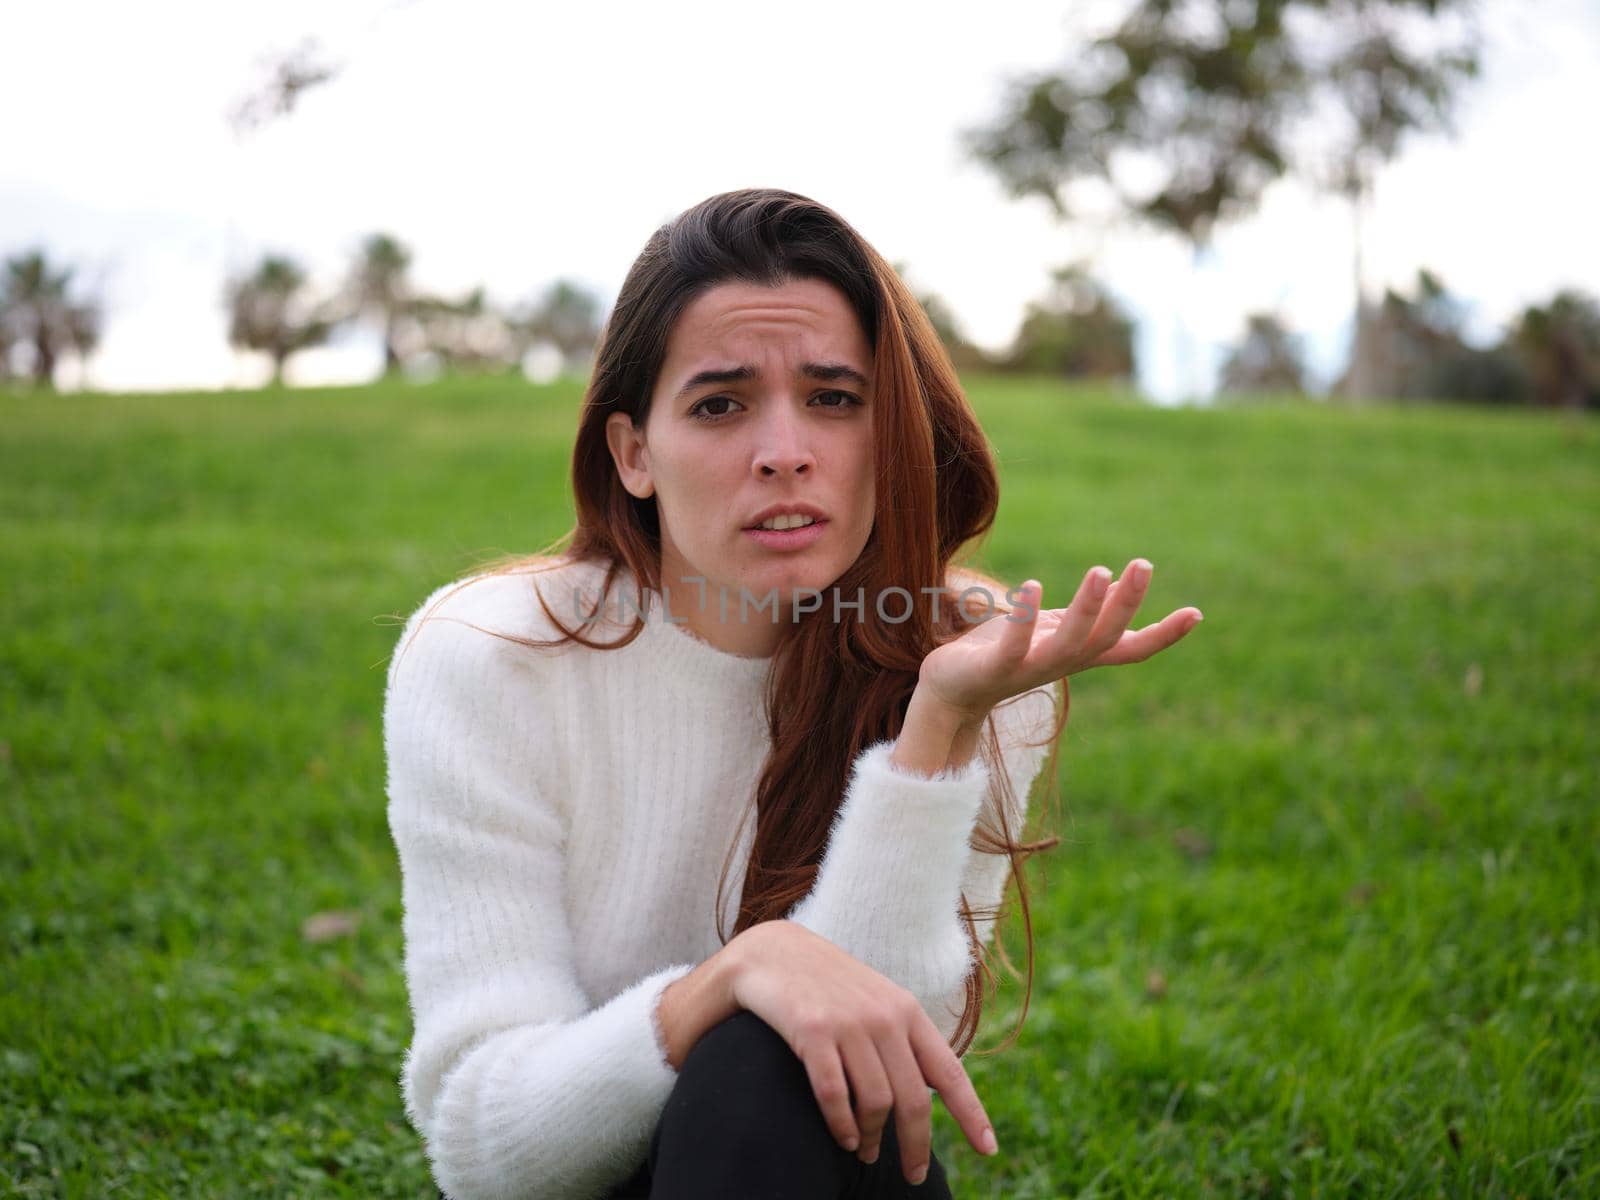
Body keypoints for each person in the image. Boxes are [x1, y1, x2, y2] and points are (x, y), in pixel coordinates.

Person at [383, 187, 1203, 1200]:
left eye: (834, 398)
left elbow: (880, 1054)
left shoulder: (973, 661)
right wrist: (726, 981)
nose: (783, 450)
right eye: (720, 404)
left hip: (806, 1162)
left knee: (773, 1069)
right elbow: (483, 1150)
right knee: (752, 1044)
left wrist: (936, 729)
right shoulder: (487, 658)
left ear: (889, 431)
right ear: (633, 453)